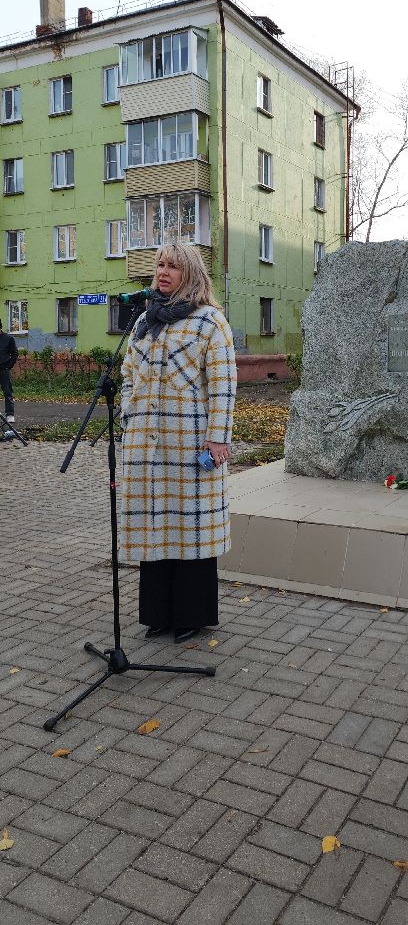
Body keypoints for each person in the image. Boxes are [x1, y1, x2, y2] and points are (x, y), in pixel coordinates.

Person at [120, 243, 237, 644]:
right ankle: (158, 614)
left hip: (189, 446)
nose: (163, 272)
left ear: (190, 272)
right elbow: (127, 376)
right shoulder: (143, 322)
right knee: (156, 526)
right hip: (145, 445)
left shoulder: (210, 322)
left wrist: (217, 439)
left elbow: (223, 387)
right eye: (160, 264)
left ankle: (192, 614)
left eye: (172, 265)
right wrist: (127, 416)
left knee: (191, 528)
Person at [0, 319, 18, 426]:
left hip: (4, 369)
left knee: (7, 392)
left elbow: (14, 353)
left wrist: (8, 366)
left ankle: (10, 414)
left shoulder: (8, 339)